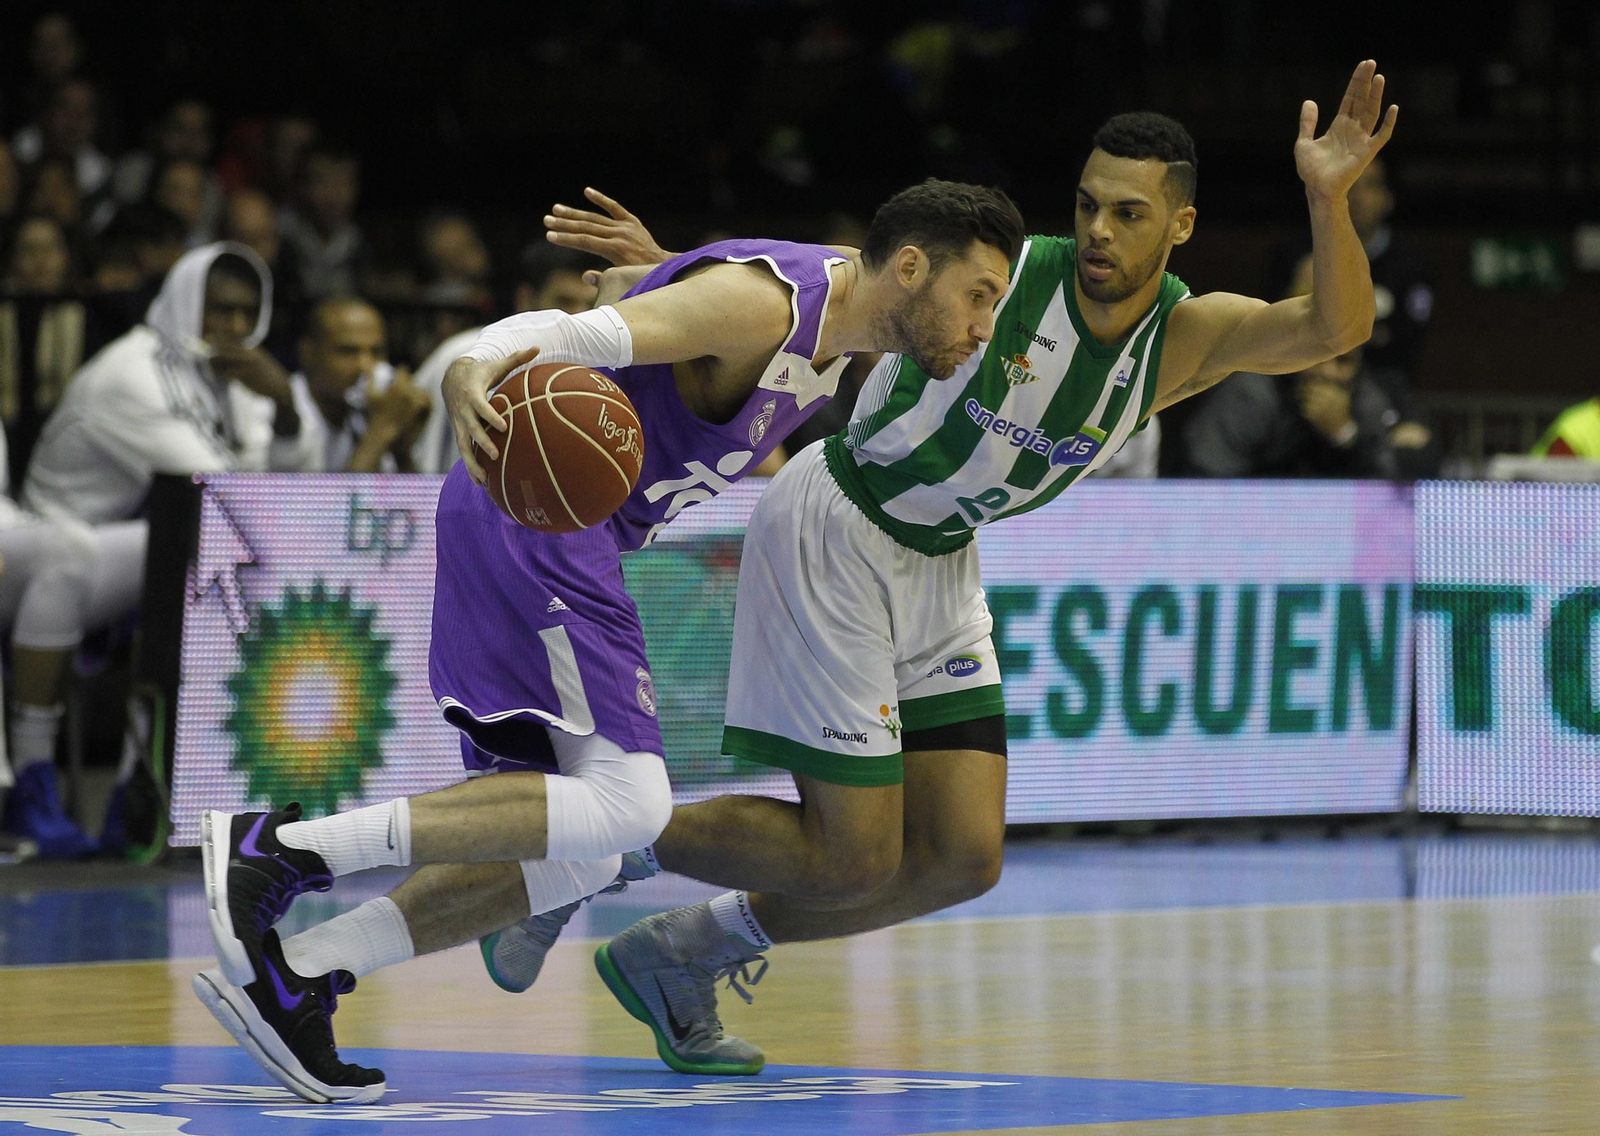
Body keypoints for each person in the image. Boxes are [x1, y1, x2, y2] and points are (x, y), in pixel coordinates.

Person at [538, 61, 1397, 1076]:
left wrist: (1326, 196)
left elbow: (1335, 329)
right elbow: (831, 277)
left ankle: (686, 950)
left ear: (1180, 227)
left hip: (942, 567)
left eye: (1128, 214)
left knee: (960, 857)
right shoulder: (1000, 273)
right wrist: (687, 267)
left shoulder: (1182, 337)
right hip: (841, 528)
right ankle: (592, 842)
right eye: (1087, 207)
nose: (1099, 234)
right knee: (853, 851)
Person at [192, 178, 1024, 1103]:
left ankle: (300, 973)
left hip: (563, 530)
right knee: (630, 804)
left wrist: (672, 276)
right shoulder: (772, 302)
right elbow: (566, 332)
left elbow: (679, 341)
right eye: (979, 296)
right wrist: (476, 362)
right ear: (910, 267)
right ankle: (280, 849)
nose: (985, 326)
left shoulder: (822, 334)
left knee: (581, 844)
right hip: (537, 520)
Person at [408, 240, 607, 474]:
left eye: (590, 306)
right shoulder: (457, 353)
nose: (577, 318)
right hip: (447, 501)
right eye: (564, 302)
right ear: (525, 299)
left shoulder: (603, 372)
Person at [1182, 347, 1415, 478]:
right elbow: (1206, 482)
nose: (1328, 372)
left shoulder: (1366, 398)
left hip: (1330, 539)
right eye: (1318, 356)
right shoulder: (1254, 392)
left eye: (1344, 360)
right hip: (1247, 531)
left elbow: (1387, 496)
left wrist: (1345, 435)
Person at [272, 296, 431, 472]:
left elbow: (406, 499)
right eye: (347, 352)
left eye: (376, 352)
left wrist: (401, 450)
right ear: (307, 353)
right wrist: (382, 429)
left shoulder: (366, 411)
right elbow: (342, 498)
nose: (365, 366)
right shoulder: (274, 407)